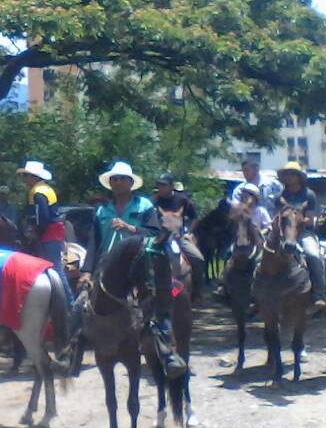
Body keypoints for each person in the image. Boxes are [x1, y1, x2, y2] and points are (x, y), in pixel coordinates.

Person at [77, 161, 185, 378]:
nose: (117, 182)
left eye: (121, 179)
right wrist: (86, 270)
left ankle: (166, 350)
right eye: (113, 179)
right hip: (106, 265)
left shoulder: (144, 206)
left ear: (130, 183)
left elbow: (154, 234)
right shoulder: (102, 211)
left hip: (139, 264)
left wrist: (130, 228)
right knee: (80, 301)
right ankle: (71, 351)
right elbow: (93, 242)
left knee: (155, 299)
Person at [274, 161, 326, 312]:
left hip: (303, 232)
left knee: (313, 255)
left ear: (298, 176)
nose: (289, 177)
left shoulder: (308, 195)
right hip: (284, 233)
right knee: (263, 255)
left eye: (292, 174)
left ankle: (319, 294)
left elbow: (310, 219)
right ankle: (257, 296)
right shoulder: (280, 196)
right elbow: (276, 216)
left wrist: (296, 219)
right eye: (287, 174)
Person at [19, 160, 73, 303]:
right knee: (54, 267)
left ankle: (69, 302)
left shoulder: (37, 192)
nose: (25, 180)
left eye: (26, 176)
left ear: (34, 177)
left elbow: (43, 217)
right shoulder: (46, 189)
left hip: (48, 234)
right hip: (53, 232)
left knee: (55, 267)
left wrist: (36, 233)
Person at [152, 173, 205, 290]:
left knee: (198, 259)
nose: (160, 188)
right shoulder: (153, 201)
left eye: (163, 185)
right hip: (158, 238)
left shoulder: (182, 200)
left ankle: (197, 291)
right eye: (159, 185)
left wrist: (188, 233)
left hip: (179, 237)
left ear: (171, 186)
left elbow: (195, 217)